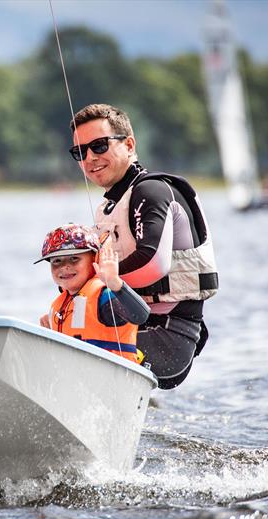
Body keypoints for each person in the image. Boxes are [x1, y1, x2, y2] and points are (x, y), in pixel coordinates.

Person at [68, 103, 219, 388]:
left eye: (99, 146)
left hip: (169, 337)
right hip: (132, 326)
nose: (89, 158)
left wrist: (93, 279)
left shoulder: (151, 191)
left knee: (69, 354)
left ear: (128, 144)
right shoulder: (109, 207)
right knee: (63, 334)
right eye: (80, 152)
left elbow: (152, 265)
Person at [36, 223, 150, 364]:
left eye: (74, 258)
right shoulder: (60, 306)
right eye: (57, 261)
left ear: (95, 259)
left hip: (115, 375)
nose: (65, 266)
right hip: (75, 376)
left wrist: (116, 284)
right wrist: (50, 335)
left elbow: (141, 315)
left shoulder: (104, 297)